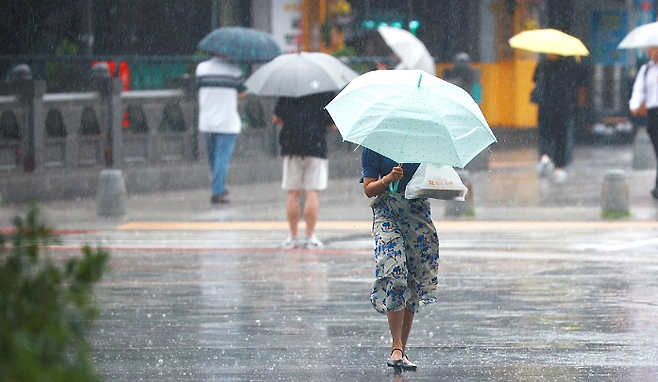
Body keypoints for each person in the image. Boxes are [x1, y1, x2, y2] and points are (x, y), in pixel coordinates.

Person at [360, 148, 440, 371]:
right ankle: (396, 346)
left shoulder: (424, 143)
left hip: (417, 213)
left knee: (413, 278)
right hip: (387, 212)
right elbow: (368, 189)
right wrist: (389, 179)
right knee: (394, 270)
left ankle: (401, 350)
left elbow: (438, 181)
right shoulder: (374, 144)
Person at [273, 92, 336, 249]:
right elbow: (333, 125)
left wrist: (293, 124)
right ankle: (310, 236)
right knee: (312, 192)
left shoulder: (287, 92)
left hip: (291, 146)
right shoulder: (324, 93)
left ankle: (293, 236)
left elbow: (276, 119)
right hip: (316, 147)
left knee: (293, 193)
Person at [195, 54, 247, 204]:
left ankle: (219, 187)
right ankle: (218, 191)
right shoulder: (234, 71)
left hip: (207, 121)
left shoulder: (201, 68)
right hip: (227, 122)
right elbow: (242, 92)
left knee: (213, 158)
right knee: (221, 159)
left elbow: (198, 87)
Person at [533, 54, 585, 183]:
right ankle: (558, 167)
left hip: (545, 106)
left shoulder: (542, 65)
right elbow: (576, 83)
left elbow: (534, 80)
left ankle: (544, 157)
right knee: (560, 138)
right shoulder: (568, 66)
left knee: (545, 134)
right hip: (562, 108)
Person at [629, 45, 658, 200]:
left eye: (652, 48)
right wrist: (635, 104)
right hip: (653, 113)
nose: (649, 51)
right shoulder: (646, 69)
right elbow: (639, 89)